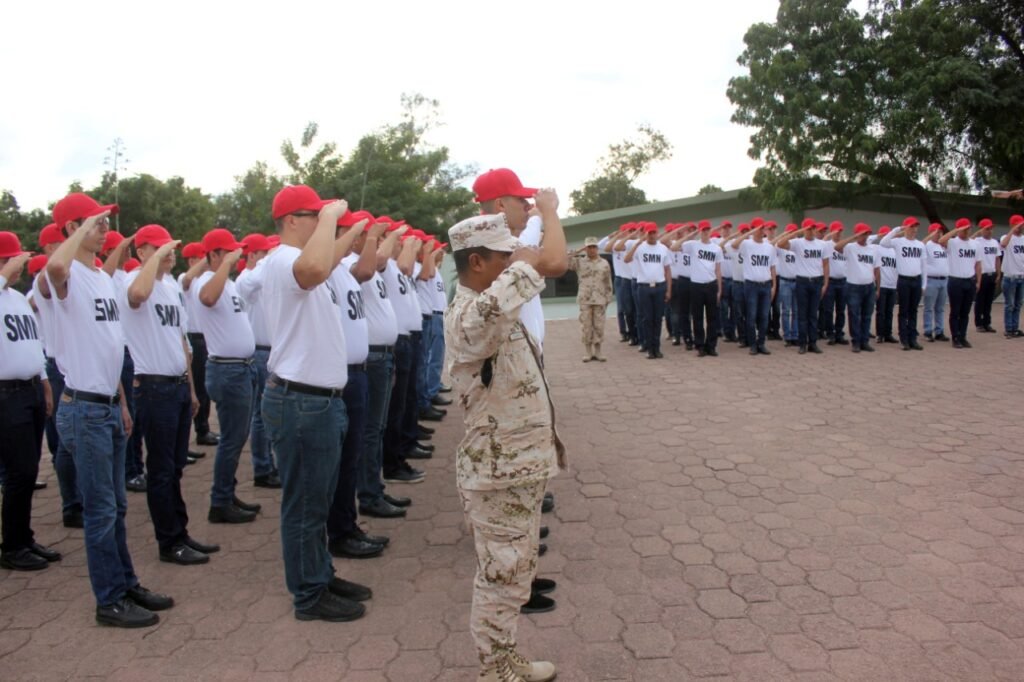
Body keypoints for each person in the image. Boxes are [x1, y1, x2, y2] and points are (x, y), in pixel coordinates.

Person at [445, 201, 566, 682]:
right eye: (501, 256)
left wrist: (520, 259)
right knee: (500, 578)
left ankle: (505, 654)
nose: (512, 260)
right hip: (497, 474)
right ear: (477, 262)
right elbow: (494, 307)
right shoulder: (468, 317)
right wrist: (526, 263)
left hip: (518, 466)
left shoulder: (496, 309)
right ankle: (496, 671)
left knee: (515, 574)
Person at [45, 192, 172, 627]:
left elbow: (108, 345)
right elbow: (56, 268)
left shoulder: (100, 277)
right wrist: (81, 226)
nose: (104, 230)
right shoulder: (65, 276)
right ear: (71, 229)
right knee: (100, 510)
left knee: (116, 506)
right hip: (82, 408)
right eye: (95, 223)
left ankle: (125, 582)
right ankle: (109, 600)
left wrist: (120, 399)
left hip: (106, 406)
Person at [258, 185, 371, 622]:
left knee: (317, 502)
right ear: (292, 220)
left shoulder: (301, 260)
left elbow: (326, 263)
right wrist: (332, 218)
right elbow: (313, 269)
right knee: (305, 506)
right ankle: (308, 594)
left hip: (317, 401)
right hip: (302, 401)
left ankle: (319, 575)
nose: (324, 224)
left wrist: (342, 226)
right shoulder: (285, 259)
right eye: (314, 216)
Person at [120, 224, 219, 565]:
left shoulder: (169, 288)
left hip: (176, 385)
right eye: (159, 247)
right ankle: (169, 541)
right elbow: (136, 296)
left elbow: (180, 342)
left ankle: (181, 532)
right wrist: (154, 258)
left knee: (175, 467)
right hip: (153, 387)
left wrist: (191, 388)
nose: (169, 252)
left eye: (169, 247)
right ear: (142, 252)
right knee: (160, 470)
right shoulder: (134, 282)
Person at [327, 212, 392, 559]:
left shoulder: (340, 269)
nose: (362, 237)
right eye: (353, 232)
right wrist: (365, 237)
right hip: (342, 374)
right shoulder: (333, 266)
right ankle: (339, 531)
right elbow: (368, 268)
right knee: (341, 460)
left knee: (352, 454)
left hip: (358, 371)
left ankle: (347, 525)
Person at [186, 228, 260, 523]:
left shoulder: (226, 283)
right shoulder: (208, 281)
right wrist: (226, 265)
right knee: (232, 438)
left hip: (240, 367)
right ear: (214, 254)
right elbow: (205, 297)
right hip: (227, 369)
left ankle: (227, 494)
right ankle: (220, 501)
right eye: (227, 252)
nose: (234, 256)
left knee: (237, 436)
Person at [0, 233, 60, 572]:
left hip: (30, 389)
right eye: (12, 260)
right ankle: (12, 545)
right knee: (19, 472)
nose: (19, 266)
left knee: (29, 467)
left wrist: (44, 383)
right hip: (6, 393)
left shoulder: (17, 299)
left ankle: (23, 537)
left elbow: (33, 342)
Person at [32, 225, 82, 526]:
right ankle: (72, 506)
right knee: (66, 442)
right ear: (50, 248)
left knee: (75, 441)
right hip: (57, 363)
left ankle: (79, 500)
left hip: (73, 361)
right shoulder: (46, 279)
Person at [235, 233, 281, 489]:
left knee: (270, 415)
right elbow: (252, 282)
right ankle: (262, 468)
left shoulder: (262, 278)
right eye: (262, 253)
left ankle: (270, 464)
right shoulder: (246, 279)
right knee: (262, 415)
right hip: (260, 351)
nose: (267, 257)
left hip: (270, 350)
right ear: (251, 255)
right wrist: (270, 259)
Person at [178, 243, 217, 448]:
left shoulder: (204, 280)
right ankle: (201, 429)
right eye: (201, 258)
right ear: (193, 260)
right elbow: (185, 280)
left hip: (206, 337)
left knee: (205, 389)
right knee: (199, 387)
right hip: (194, 338)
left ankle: (204, 428)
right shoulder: (185, 280)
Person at [776, 219, 829, 354]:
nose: (811, 231)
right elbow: (780, 244)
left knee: (813, 314)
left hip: (816, 281)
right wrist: (798, 231)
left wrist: (825, 283)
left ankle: (813, 343)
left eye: (813, 228)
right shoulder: (797, 243)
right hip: (802, 281)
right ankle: (802, 343)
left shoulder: (822, 244)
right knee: (802, 314)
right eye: (809, 228)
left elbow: (826, 264)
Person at [880, 217, 928, 350]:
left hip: (916, 280)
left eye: (915, 227)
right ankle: (904, 339)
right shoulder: (898, 242)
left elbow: (924, 265)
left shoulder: (920, 245)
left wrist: (924, 284)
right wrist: (897, 229)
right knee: (904, 310)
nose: (914, 229)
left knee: (914, 310)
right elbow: (884, 242)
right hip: (903, 280)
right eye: (911, 226)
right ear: (906, 227)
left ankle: (913, 338)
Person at [624, 223, 672, 359]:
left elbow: (668, 270)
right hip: (644, 287)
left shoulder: (663, 248)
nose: (652, 235)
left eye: (654, 233)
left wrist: (669, 290)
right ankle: (649, 348)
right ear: (646, 234)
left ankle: (657, 348)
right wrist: (638, 243)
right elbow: (627, 259)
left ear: (657, 233)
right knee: (647, 319)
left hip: (660, 286)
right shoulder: (640, 248)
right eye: (649, 233)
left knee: (657, 319)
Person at [833, 224, 879, 353]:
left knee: (867, 315)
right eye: (863, 234)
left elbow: (876, 269)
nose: (865, 237)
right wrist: (853, 237)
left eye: (867, 234)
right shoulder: (850, 247)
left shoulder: (873, 249)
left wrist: (877, 287)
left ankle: (865, 341)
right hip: (853, 286)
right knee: (854, 315)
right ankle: (856, 341)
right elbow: (837, 247)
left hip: (869, 286)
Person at [734, 220, 777, 355]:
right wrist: (751, 232)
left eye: (762, 228)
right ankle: (752, 344)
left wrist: (774, 285)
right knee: (751, 315)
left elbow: (772, 266)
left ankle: (761, 343)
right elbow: (735, 245)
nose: (761, 230)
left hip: (766, 284)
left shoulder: (769, 247)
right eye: (758, 228)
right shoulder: (747, 244)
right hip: (751, 285)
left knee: (764, 316)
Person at [568, 236, 614, 362]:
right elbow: (565, 259)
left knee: (599, 325)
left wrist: (608, 298)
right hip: (585, 299)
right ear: (585, 248)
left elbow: (608, 282)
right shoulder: (579, 262)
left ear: (597, 248)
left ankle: (598, 351)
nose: (592, 249)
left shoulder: (604, 263)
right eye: (589, 247)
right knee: (586, 326)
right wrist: (578, 250)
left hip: (600, 299)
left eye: (594, 247)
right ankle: (588, 352)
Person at [938, 218, 982, 348]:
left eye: (969, 229)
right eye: (965, 229)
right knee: (955, 311)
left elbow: (978, 264)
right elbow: (941, 241)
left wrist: (978, 281)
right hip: (955, 280)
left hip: (969, 280)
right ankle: (955, 337)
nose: (968, 231)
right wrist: (956, 230)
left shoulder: (975, 244)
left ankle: (963, 336)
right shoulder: (952, 242)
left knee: (965, 312)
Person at [684, 222, 723, 357]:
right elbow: (675, 246)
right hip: (696, 285)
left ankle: (711, 346)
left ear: (711, 230)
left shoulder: (716, 248)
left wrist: (719, 289)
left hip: (711, 284)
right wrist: (693, 234)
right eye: (703, 230)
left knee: (712, 317)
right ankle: (700, 345)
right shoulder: (693, 245)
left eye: (707, 229)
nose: (706, 232)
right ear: (700, 231)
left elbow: (718, 269)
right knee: (698, 317)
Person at [604, 224, 639, 344]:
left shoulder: (639, 243)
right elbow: (605, 247)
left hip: (636, 279)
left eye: (634, 230)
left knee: (636, 310)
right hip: (623, 279)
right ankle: (625, 333)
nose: (632, 233)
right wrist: (616, 235)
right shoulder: (620, 243)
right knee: (624, 309)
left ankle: (637, 333)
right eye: (629, 231)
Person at [822, 222, 849, 345]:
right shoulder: (827, 245)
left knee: (841, 310)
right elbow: (820, 244)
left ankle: (839, 333)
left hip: (843, 281)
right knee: (828, 309)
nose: (838, 234)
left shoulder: (845, 246)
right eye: (836, 231)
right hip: (831, 281)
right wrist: (828, 236)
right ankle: (830, 333)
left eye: (840, 232)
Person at [922, 223, 950, 342]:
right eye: (936, 232)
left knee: (940, 308)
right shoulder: (928, 245)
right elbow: (921, 244)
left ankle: (939, 331)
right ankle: (928, 331)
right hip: (932, 280)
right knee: (929, 307)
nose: (939, 234)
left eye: (940, 232)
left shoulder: (944, 246)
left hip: (944, 280)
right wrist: (930, 236)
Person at [972, 218, 1001, 333]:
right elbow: (968, 240)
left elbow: (997, 258)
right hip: (982, 274)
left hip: (991, 273)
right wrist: (978, 232)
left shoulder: (994, 242)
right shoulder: (977, 241)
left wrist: (998, 273)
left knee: (989, 301)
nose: (990, 231)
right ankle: (979, 323)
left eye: (991, 229)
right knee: (980, 300)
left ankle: (987, 322)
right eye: (987, 229)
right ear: (982, 229)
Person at [998, 214, 1024, 339]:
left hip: (1021, 276)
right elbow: (1003, 245)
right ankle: (1008, 329)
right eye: (1018, 225)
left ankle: (1015, 327)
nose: (1020, 227)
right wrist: (1012, 231)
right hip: (1010, 276)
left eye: (1021, 225)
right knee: (1010, 304)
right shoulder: (1007, 237)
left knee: (1018, 304)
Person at [873, 227, 899, 343]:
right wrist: (878, 236)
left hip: (892, 285)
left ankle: (888, 333)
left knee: (889, 311)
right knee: (881, 311)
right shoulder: (877, 248)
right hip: (882, 284)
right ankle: (880, 334)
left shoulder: (894, 249)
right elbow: (868, 241)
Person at [775, 224, 799, 346]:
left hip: (797, 281)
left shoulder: (798, 245)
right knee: (785, 310)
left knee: (796, 310)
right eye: (790, 232)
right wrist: (784, 235)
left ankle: (795, 335)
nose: (792, 234)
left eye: (794, 232)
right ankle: (787, 335)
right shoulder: (781, 247)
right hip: (785, 281)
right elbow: (772, 244)